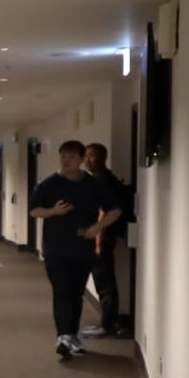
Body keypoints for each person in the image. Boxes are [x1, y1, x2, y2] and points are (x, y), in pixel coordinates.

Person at [29, 140, 122, 359]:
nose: (66, 160)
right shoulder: (49, 184)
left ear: (81, 159)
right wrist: (53, 212)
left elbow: (115, 210)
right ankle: (63, 336)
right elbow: (34, 210)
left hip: (82, 249)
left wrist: (97, 228)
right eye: (63, 156)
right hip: (55, 249)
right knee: (62, 292)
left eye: (71, 156)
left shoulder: (93, 184)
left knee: (76, 294)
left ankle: (71, 336)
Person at [82, 142, 131, 338]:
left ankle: (107, 325)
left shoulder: (102, 181)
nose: (87, 160)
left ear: (102, 158)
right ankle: (107, 322)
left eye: (91, 156)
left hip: (102, 239)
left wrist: (97, 241)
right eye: (85, 156)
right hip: (102, 238)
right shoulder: (102, 178)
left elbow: (104, 212)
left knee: (105, 282)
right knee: (103, 280)